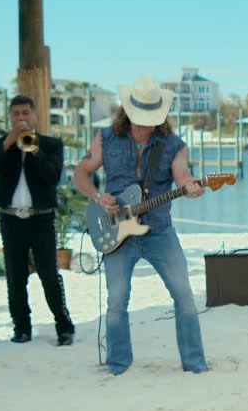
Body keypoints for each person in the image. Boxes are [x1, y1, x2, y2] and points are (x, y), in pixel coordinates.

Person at [71, 75, 210, 376]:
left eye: (151, 119)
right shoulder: (105, 138)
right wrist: (97, 197)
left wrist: (191, 187)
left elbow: (182, 177)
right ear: (128, 112)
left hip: (160, 231)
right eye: (141, 118)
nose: (146, 125)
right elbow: (80, 173)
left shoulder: (173, 145)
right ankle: (118, 366)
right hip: (115, 231)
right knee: (117, 301)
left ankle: (195, 365)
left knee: (184, 296)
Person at [0, 95, 76, 346]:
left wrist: (33, 149)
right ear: (10, 118)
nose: (20, 118)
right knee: (15, 276)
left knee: (49, 275)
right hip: (11, 219)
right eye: (16, 114)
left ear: (35, 116)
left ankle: (64, 327)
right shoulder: (1, 144)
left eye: (25, 113)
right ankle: (21, 327)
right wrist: (8, 143)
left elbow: (52, 176)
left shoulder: (51, 144)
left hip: (41, 219)